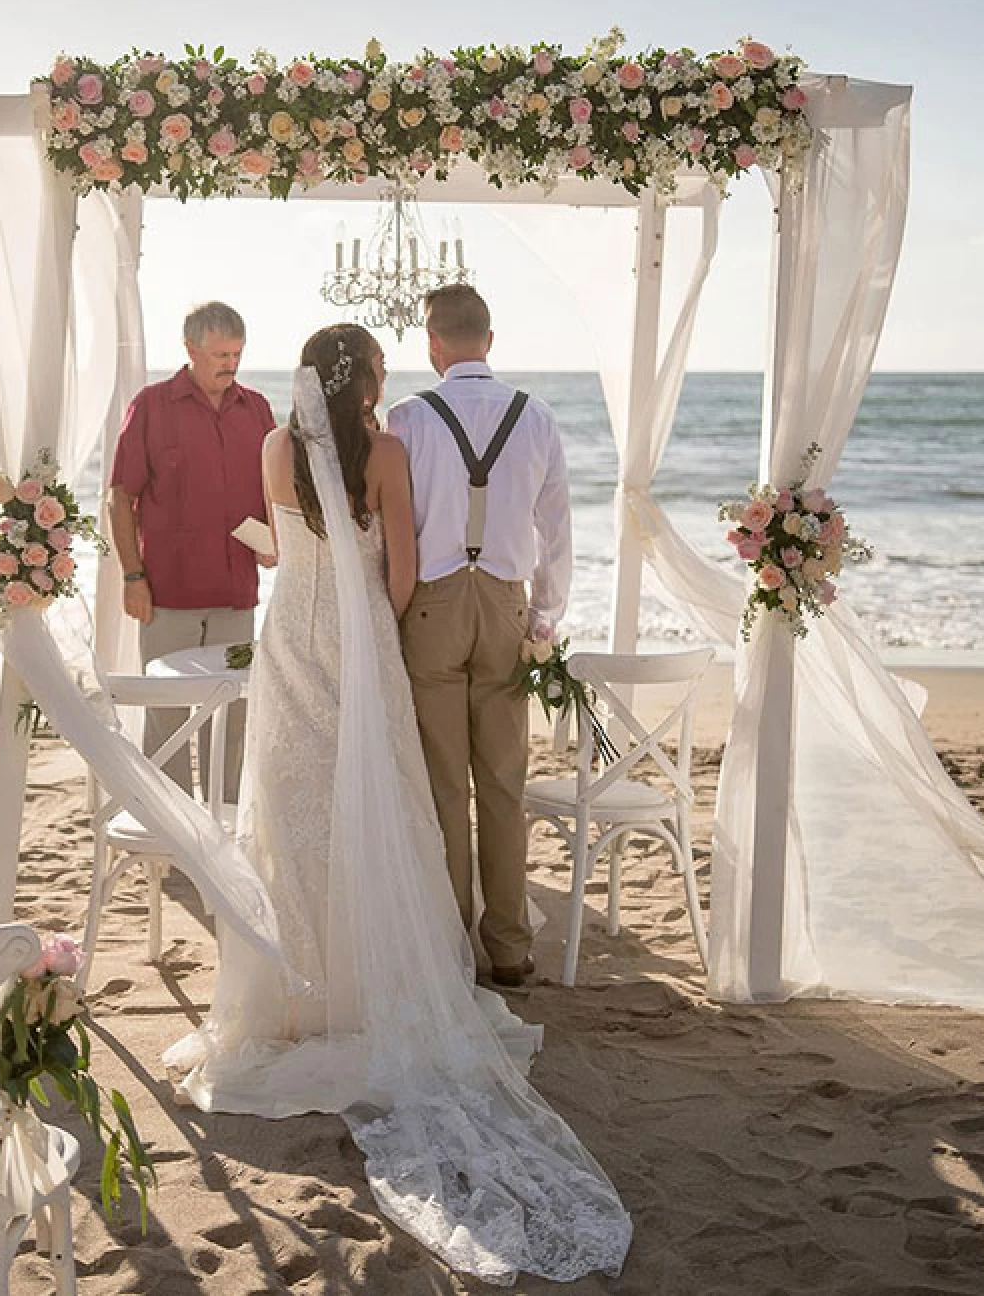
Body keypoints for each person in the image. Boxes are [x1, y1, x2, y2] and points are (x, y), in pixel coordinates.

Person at [165, 327, 630, 1284]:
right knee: (378, 797)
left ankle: (298, 997)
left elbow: (280, 538)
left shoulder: (270, 443)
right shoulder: (379, 450)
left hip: (291, 626)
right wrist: (380, 611)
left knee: (292, 802)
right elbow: (402, 565)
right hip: (361, 629)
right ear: (370, 378)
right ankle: (381, 975)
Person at [385, 285, 572, 988]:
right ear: (489, 340)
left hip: (431, 607)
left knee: (442, 786)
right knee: (502, 783)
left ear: (433, 344)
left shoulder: (407, 417)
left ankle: (449, 946)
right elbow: (557, 530)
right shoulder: (538, 417)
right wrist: (545, 616)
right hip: (504, 604)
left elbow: (390, 528)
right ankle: (510, 948)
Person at [107, 301, 274, 793]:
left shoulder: (257, 408)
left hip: (236, 596)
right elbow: (121, 496)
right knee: (168, 723)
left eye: (237, 354)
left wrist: (272, 541)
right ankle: (173, 849)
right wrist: (132, 577)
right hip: (167, 597)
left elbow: (274, 490)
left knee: (234, 723)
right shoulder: (151, 406)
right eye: (220, 353)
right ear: (190, 349)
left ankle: (223, 844)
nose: (230, 364)